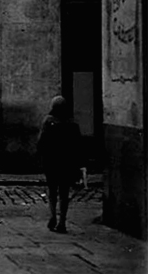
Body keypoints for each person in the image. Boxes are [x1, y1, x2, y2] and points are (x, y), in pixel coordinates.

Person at [37, 95, 84, 234]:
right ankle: (62, 221)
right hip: (67, 162)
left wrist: (41, 155)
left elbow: (41, 142)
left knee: (52, 190)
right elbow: (78, 144)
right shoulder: (72, 123)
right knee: (64, 192)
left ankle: (52, 216)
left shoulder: (48, 121)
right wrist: (79, 162)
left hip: (51, 161)